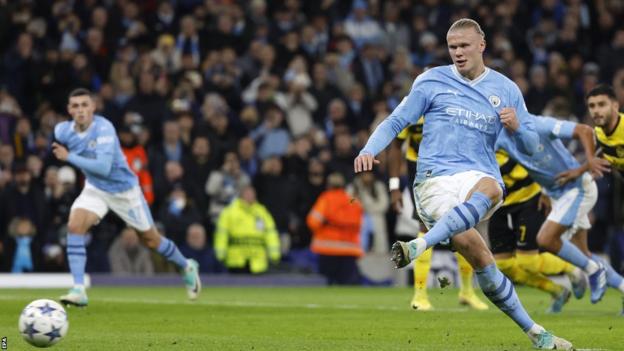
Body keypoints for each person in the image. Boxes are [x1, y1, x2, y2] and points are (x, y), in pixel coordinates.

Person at [354, 18, 572, 349]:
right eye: (452, 47)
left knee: (492, 193)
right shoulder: (430, 81)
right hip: (433, 181)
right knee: (481, 257)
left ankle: (421, 245)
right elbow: (396, 120)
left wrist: (517, 128)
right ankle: (535, 332)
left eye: (464, 46)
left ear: (481, 46)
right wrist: (370, 149)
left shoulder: (506, 89)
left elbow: (530, 146)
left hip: (477, 179)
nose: (457, 52)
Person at [52, 88, 201, 306]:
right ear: (69, 110)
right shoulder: (63, 131)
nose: (81, 110)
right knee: (75, 226)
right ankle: (78, 289)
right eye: (75, 106)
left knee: (151, 240)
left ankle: (187, 266)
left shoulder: (104, 128)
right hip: (96, 189)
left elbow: (103, 167)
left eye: (85, 105)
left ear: (93, 107)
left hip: (124, 191)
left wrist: (69, 157)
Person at [496, 114, 611, 305]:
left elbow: (584, 130)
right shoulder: (500, 138)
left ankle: (592, 269)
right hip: (556, 194)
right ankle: (609, 278)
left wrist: (588, 162)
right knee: (583, 252)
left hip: (576, 187)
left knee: (546, 239)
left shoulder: (539, 124)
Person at [388, 117, 488, 311]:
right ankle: (419, 295)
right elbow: (395, 146)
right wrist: (394, 187)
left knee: (462, 224)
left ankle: (467, 291)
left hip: (452, 166)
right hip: (418, 169)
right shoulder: (412, 107)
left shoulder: (451, 105)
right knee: (425, 226)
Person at [488, 149, 584, 313]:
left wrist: (546, 191)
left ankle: (572, 268)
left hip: (527, 201)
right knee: (503, 264)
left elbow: (535, 153)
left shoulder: (505, 132)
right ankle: (557, 291)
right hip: (498, 207)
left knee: (527, 262)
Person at [585, 84, 624, 314]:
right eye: (592, 106)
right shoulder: (598, 134)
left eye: (601, 104)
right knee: (617, 242)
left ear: (616, 106)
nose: (596, 111)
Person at [307, 172, 364, 285]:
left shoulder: (326, 198)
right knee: (347, 285)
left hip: (328, 249)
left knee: (329, 284)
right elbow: (359, 221)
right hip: (349, 249)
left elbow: (313, 222)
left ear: (328, 184)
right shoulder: (351, 199)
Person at [213, 185, 280, 274]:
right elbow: (221, 234)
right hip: (236, 259)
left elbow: (271, 233)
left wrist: (274, 254)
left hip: (258, 261)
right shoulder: (230, 212)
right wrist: (220, 253)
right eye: (247, 194)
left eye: (252, 194)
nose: (250, 196)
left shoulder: (262, 212)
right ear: (241, 195)